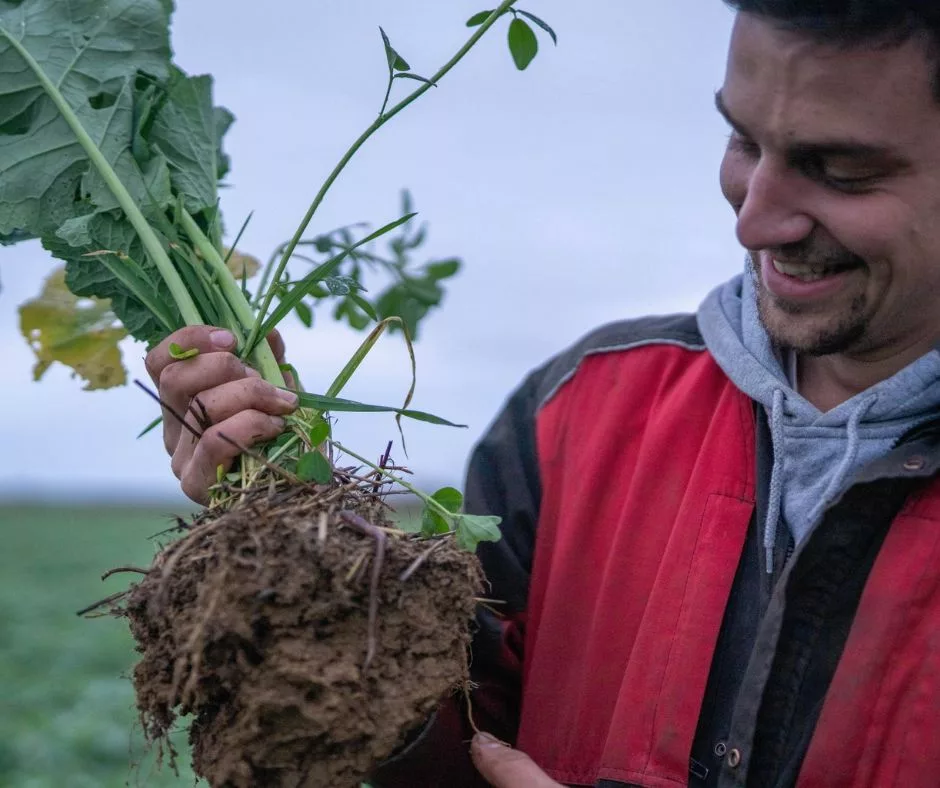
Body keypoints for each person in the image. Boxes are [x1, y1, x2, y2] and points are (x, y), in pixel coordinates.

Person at [147, 2, 940, 786]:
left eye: (842, 172)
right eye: (742, 140)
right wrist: (323, 578)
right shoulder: (579, 410)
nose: (754, 219)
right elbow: (448, 744)